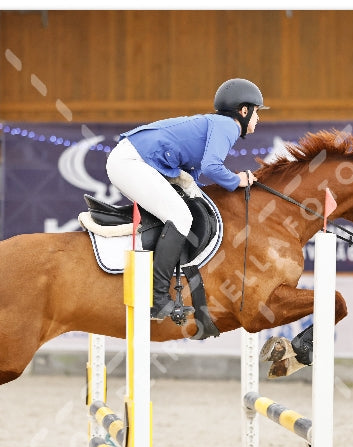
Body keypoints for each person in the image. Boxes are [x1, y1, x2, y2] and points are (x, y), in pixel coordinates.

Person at [106, 78, 268, 322]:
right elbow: (213, 168)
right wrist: (238, 180)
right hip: (131, 163)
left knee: (181, 210)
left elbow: (194, 176)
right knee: (181, 217)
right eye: (257, 112)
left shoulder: (216, 124)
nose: (258, 119)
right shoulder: (228, 126)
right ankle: (158, 298)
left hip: (132, 160)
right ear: (244, 111)